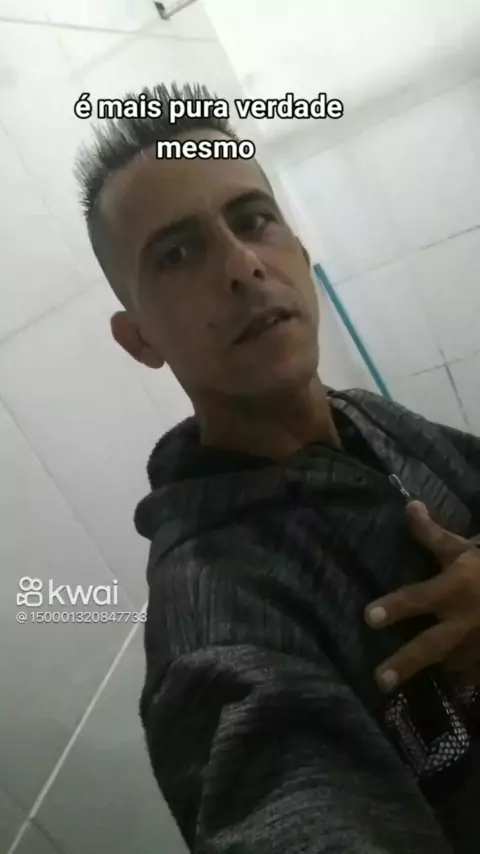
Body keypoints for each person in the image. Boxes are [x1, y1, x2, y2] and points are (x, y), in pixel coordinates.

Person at [75, 82, 480, 854]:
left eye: (253, 219)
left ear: (300, 250)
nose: (240, 266)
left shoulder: (374, 419)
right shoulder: (216, 626)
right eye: (178, 254)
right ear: (140, 339)